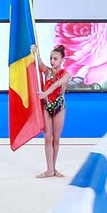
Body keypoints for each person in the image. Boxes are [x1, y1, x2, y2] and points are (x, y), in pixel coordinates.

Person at [37, 45, 69, 177]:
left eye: (55, 58)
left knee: (56, 139)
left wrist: (45, 93)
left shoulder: (67, 74)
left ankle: (54, 168)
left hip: (59, 107)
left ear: (62, 59)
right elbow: (39, 63)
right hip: (47, 106)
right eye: (51, 58)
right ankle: (49, 169)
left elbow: (56, 84)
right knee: (47, 138)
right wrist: (36, 51)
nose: (52, 61)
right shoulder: (47, 71)